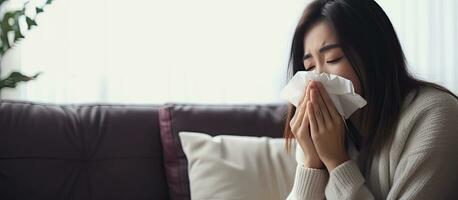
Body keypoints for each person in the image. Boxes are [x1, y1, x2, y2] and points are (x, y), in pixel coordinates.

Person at [282, 0, 458, 199]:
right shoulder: (323, 130)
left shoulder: (436, 115)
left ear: (373, 54)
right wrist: (311, 163)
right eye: (310, 68)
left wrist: (336, 161)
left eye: (333, 59)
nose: (316, 81)